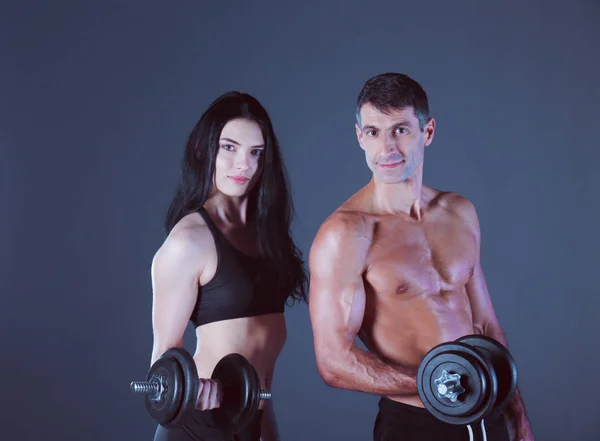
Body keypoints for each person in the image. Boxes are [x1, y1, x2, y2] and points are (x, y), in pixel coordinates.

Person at [307, 73, 534, 441]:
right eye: (373, 132)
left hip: (489, 413)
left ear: (427, 132)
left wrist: (519, 424)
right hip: (415, 424)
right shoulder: (347, 234)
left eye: (400, 130)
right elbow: (333, 362)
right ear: (359, 136)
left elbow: (487, 326)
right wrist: (443, 386)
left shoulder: (459, 212)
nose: (386, 149)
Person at [150, 91, 308, 441]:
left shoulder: (267, 235)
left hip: (252, 420)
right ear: (204, 150)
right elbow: (161, 360)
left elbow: (261, 363)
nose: (243, 165)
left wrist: (267, 430)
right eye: (229, 148)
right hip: (199, 424)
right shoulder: (189, 240)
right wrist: (189, 391)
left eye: (256, 153)